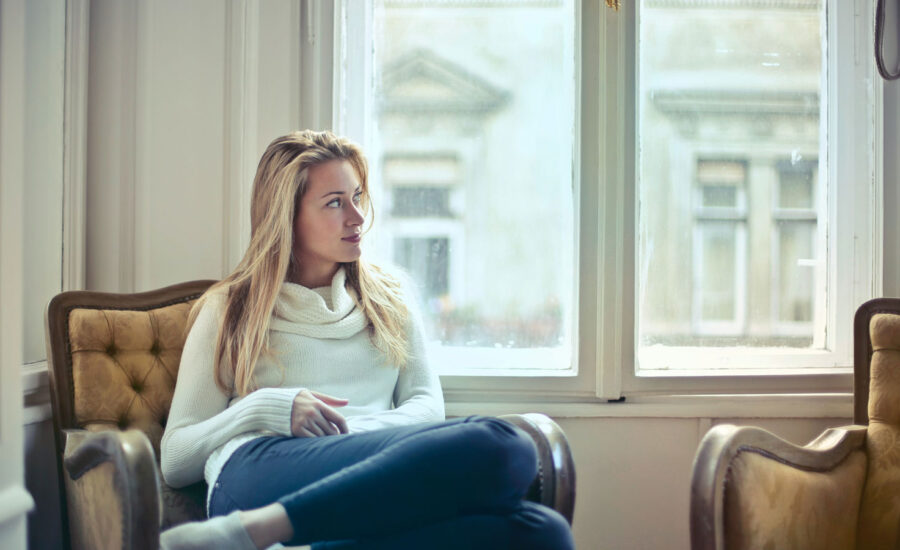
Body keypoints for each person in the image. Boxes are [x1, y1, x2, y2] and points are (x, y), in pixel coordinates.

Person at [159, 130, 574, 549]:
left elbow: (427, 408)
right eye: (335, 203)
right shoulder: (229, 309)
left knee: (543, 533)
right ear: (286, 217)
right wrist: (267, 407)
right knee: (504, 446)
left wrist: (352, 434)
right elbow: (176, 457)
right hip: (258, 469)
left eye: (357, 197)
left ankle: (287, 540)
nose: (357, 217)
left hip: (371, 465)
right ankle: (253, 528)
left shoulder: (389, 297)